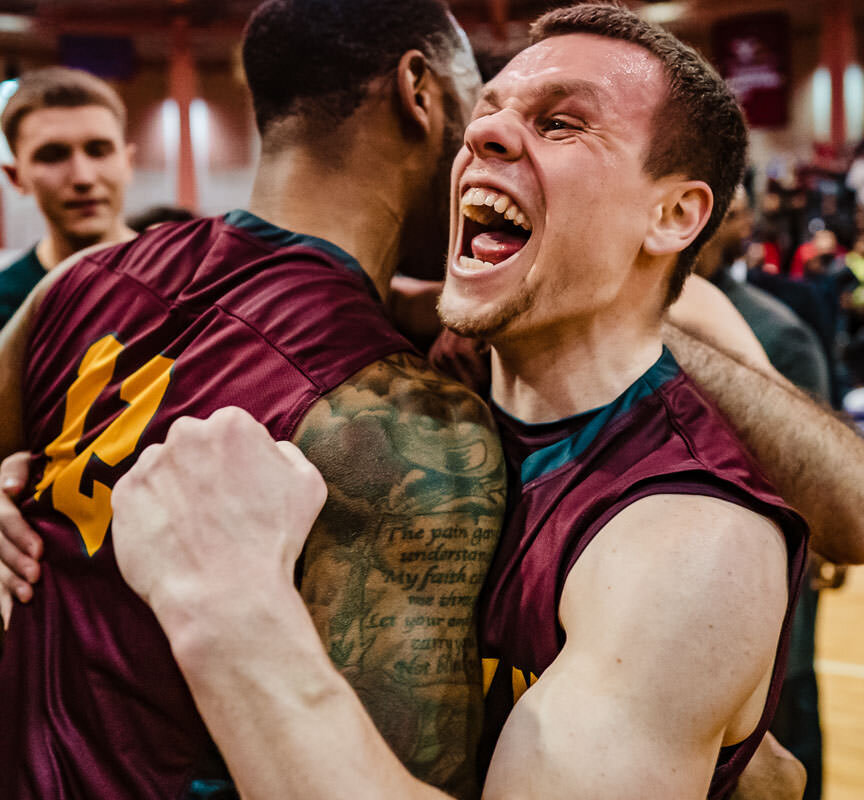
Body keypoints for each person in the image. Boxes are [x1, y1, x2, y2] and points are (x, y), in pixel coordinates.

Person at [104, 5, 864, 798]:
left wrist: (231, 609)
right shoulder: (415, 373)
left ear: (675, 215)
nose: (483, 136)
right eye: (489, 109)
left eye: (562, 123)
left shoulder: (693, 542)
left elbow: (847, 506)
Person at [0, 1, 503, 797]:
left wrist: (47, 569)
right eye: (476, 105)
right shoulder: (407, 418)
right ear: (420, 90)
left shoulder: (80, 283)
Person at [697, 187, 834, 800]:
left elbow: (818, 494)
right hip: (689, 606)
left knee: (785, 734)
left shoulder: (778, 334)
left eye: (728, 210)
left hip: (772, 607)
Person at [0, 66, 137, 427]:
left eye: (99, 150)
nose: (82, 177)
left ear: (127, 162)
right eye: (52, 155)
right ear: (15, 176)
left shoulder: (194, 287)